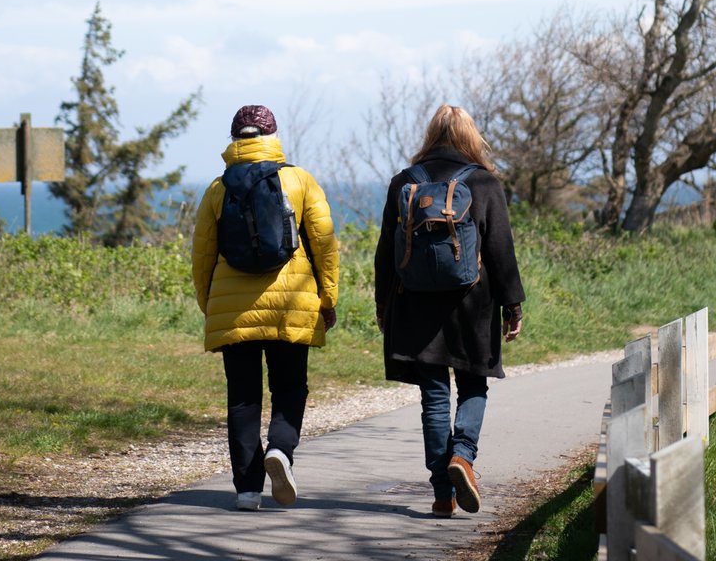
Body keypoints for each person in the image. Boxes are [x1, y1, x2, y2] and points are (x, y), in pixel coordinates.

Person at [374, 104, 525, 518]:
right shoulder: (483, 183)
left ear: (431, 135)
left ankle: (443, 493)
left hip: (415, 301)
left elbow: (386, 250)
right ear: (471, 138)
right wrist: (512, 304)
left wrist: (383, 302)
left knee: (434, 396)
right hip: (472, 304)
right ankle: (463, 456)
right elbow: (500, 250)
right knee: (474, 385)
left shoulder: (403, 183)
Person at [191, 103, 340, 511]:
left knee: (242, 397)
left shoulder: (217, 189)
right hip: (291, 304)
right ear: (273, 137)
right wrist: (327, 299)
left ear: (234, 139)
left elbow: (202, 255)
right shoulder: (299, 180)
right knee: (290, 387)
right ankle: (281, 450)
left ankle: (247, 490)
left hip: (233, 309)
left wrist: (210, 305)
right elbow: (324, 245)